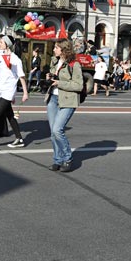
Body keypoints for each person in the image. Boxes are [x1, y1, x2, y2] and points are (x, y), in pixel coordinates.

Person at [45, 39, 83, 172]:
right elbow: (54, 77)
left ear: (63, 49)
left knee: (57, 130)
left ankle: (67, 158)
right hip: (53, 98)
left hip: (67, 100)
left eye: (56, 47)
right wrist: (49, 77)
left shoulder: (74, 64)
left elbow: (79, 85)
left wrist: (59, 83)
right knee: (52, 133)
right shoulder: (54, 61)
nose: (54, 49)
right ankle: (57, 160)